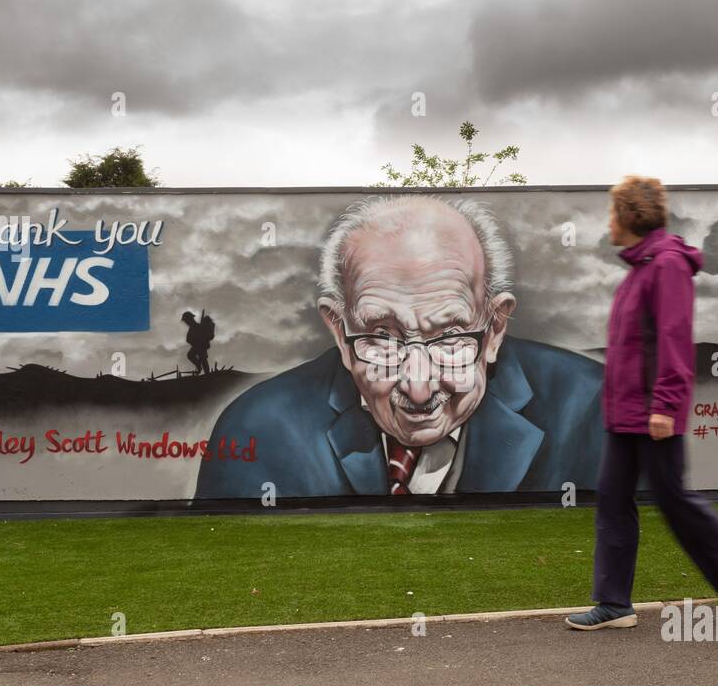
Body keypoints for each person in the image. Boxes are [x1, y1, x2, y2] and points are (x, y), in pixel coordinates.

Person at [193, 195, 603, 500]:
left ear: (494, 327)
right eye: (383, 337)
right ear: (340, 331)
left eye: (449, 336)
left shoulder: (589, 410)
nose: (419, 388)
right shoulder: (260, 429)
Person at [567, 176, 718, 631]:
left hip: (653, 412)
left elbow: (673, 340)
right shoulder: (641, 269)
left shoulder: (667, 266)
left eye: (612, 213)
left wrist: (665, 405)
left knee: (673, 497)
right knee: (613, 499)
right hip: (625, 413)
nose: (609, 222)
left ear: (629, 216)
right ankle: (614, 603)